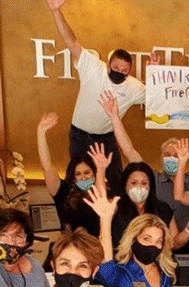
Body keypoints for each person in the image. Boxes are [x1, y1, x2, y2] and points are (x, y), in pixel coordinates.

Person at [45, 0, 153, 194]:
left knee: (118, 181)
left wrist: (155, 73)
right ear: (108, 64)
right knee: (79, 183)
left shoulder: (133, 86)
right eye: (116, 67)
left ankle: (119, 220)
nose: (120, 72)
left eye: (124, 70)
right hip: (79, 136)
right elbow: (71, 42)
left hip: (107, 139)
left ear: (129, 71)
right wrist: (55, 11)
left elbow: (159, 97)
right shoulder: (93, 67)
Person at [99, 91, 189, 252]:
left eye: (176, 156)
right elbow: (128, 150)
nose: (172, 158)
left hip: (186, 247)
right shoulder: (150, 178)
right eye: (167, 155)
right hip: (150, 248)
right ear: (161, 158)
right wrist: (115, 118)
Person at [86, 185, 176, 287]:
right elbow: (105, 268)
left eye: (159, 241)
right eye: (147, 239)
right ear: (133, 240)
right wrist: (105, 220)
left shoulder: (164, 272)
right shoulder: (123, 273)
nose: (153, 245)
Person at [37, 112, 109, 237]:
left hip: (94, 248)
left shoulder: (99, 192)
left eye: (87, 173)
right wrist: (41, 132)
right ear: (72, 176)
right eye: (78, 174)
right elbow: (47, 166)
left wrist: (101, 168)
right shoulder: (62, 191)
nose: (83, 177)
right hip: (68, 247)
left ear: (94, 174)